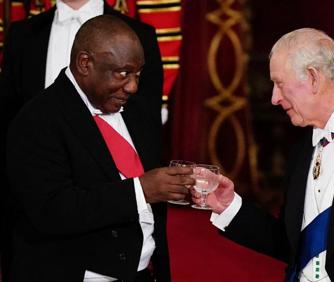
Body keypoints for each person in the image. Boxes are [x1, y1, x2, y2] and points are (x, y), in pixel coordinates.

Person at [192, 28, 334, 282]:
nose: (274, 98)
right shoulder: (301, 149)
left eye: (279, 83)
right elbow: (293, 245)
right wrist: (229, 205)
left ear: (313, 78)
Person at [5, 15, 193, 282]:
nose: (133, 86)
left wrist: (175, 185)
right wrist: (142, 190)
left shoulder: (136, 111)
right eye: (123, 73)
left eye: (138, 75)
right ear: (85, 64)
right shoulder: (37, 120)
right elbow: (52, 211)